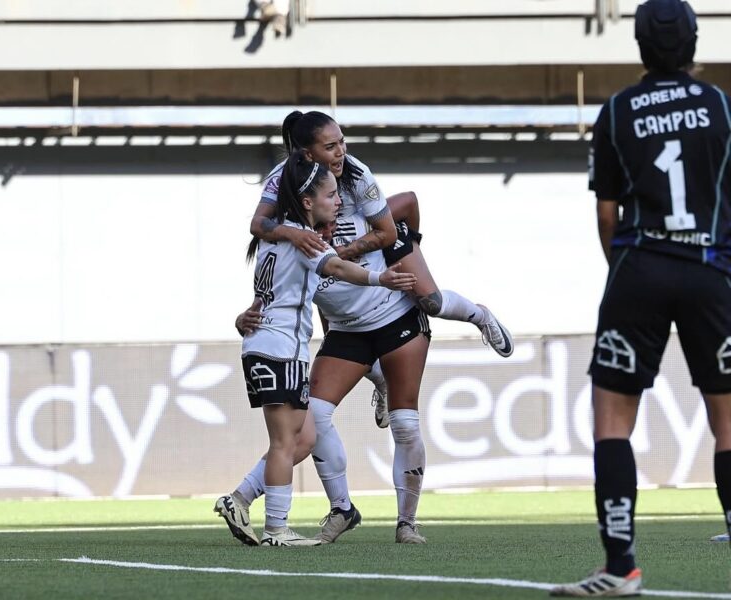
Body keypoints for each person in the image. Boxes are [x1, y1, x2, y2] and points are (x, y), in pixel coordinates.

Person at [551, 0, 731, 595]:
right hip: (711, 269)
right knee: (727, 420)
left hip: (639, 269)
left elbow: (606, 213)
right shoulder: (722, 107)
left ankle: (621, 564)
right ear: (694, 42)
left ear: (639, 46)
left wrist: (628, 271)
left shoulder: (617, 110)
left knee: (612, 421)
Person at [252, 110, 514, 429]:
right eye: (331, 146)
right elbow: (258, 225)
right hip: (328, 260)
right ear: (308, 155)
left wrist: (391, 248)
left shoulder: (357, 173)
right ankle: (380, 380)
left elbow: (399, 215)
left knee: (430, 302)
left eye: (342, 142)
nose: (341, 152)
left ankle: (479, 315)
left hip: (378, 243)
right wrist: (298, 236)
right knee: (338, 334)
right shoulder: (284, 178)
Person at [217, 208, 432, 546]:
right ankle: (323, 511)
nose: (335, 210)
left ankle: (406, 523)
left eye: (336, 198)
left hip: (393, 320)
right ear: (308, 204)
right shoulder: (303, 243)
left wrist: (408, 246)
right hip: (316, 340)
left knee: (400, 423)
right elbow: (326, 272)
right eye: (328, 199)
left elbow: (408, 203)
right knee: (297, 434)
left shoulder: (355, 193)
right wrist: (379, 277)